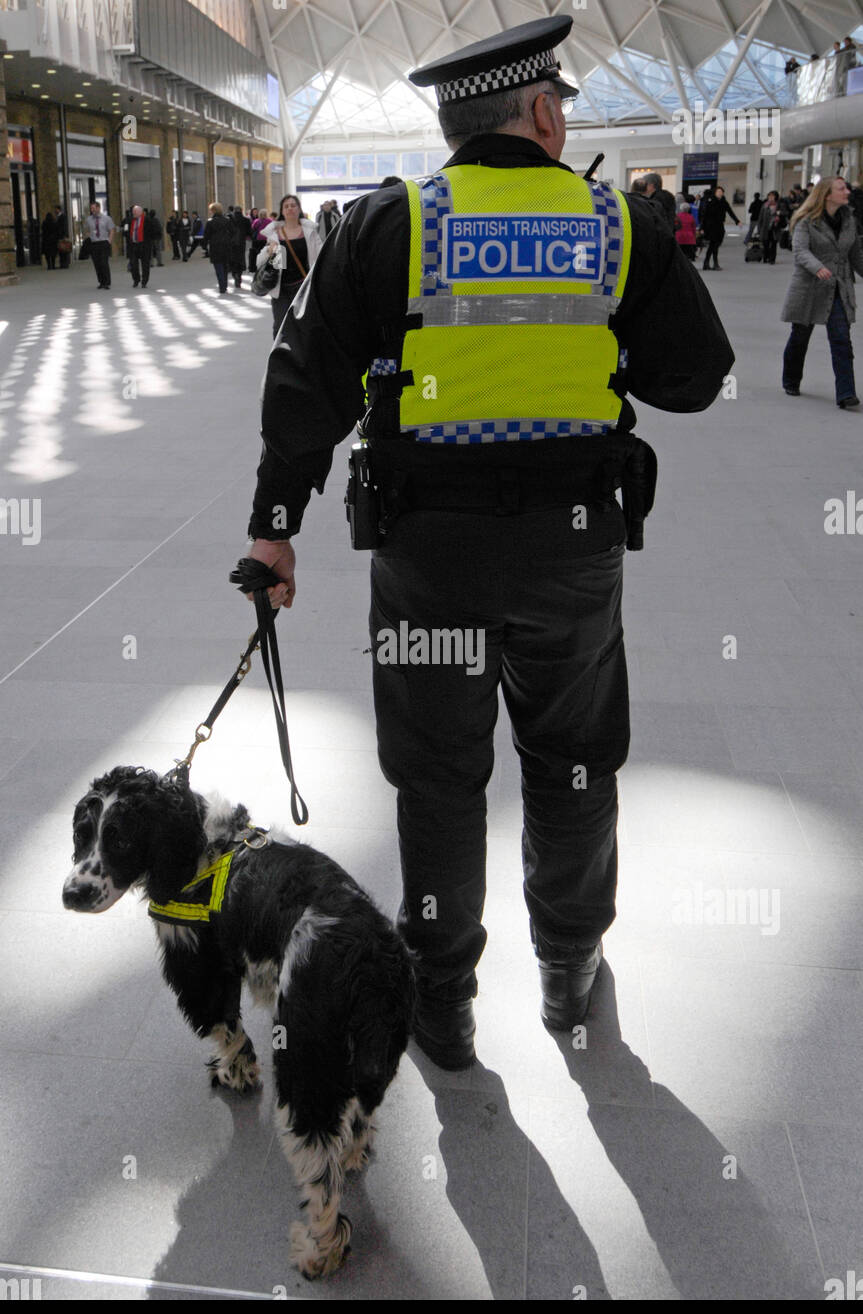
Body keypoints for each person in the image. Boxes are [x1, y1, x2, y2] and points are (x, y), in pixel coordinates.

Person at [241, 16, 733, 1069]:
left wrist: (274, 531)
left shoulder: (391, 224)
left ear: (455, 126)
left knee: (436, 778)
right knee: (568, 770)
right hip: (570, 563)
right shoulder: (618, 224)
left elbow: (305, 390)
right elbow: (691, 378)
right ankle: (565, 973)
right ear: (545, 114)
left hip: (428, 567)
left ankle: (443, 1000)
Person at [780, 175, 862, 408]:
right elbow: (800, 250)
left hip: (838, 288)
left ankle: (846, 393)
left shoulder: (850, 221)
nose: (847, 191)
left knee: (841, 339)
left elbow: (856, 255)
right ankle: (791, 380)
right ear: (826, 194)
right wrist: (818, 267)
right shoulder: (806, 221)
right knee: (800, 337)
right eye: (841, 188)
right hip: (809, 287)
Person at [257, 194, 323, 338]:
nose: (290, 208)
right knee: (281, 326)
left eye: (293, 205)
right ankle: (281, 357)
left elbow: (320, 257)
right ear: (282, 211)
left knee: (305, 325)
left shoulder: (310, 232)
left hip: (304, 287)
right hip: (281, 289)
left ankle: (304, 358)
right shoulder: (275, 234)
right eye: (286, 206)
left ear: (299, 209)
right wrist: (270, 251)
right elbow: (262, 263)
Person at [699, 184, 740, 269]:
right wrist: (702, 227)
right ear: (715, 193)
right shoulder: (710, 201)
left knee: (715, 245)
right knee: (713, 245)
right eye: (718, 192)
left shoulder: (724, 202)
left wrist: (737, 221)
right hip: (711, 226)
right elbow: (705, 215)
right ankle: (713, 263)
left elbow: (730, 212)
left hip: (719, 226)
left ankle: (708, 263)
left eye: (721, 192)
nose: (720, 193)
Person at [201, 202, 233, 293]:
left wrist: (204, 246)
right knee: (225, 266)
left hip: (215, 246)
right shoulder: (227, 220)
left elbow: (206, 235)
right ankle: (225, 285)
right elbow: (233, 232)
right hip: (226, 246)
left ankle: (222, 286)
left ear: (213, 210)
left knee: (218, 266)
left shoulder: (210, 222)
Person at [84, 200, 115, 289]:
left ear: (98, 208)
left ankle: (107, 282)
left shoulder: (107, 219)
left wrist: (109, 241)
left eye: (94, 208)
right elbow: (86, 229)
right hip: (94, 244)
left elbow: (112, 230)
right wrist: (88, 236)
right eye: (91, 208)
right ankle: (101, 282)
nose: (92, 210)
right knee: (97, 263)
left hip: (104, 242)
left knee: (104, 262)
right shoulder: (88, 219)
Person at [126, 204, 153, 288]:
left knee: (145, 264)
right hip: (133, 245)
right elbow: (126, 230)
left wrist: (150, 241)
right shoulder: (130, 220)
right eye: (133, 212)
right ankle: (136, 280)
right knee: (133, 264)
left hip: (144, 245)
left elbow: (154, 231)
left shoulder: (147, 220)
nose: (133, 213)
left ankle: (144, 281)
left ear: (140, 212)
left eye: (135, 212)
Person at [757, 189, 783, 264]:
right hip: (765, 228)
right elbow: (760, 217)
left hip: (774, 228)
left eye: (772, 196)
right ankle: (765, 257)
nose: (770, 197)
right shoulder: (764, 205)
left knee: (773, 244)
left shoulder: (779, 206)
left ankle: (772, 259)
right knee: (765, 243)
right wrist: (759, 228)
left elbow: (784, 214)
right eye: (769, 196)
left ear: (775, 197)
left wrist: (779, 216)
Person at [229, 206, 250, 286]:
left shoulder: (230, 220)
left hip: (232, 243)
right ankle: (239, 275)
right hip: (241, 243)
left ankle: (234, 274)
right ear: (241, 211)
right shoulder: (246, 220)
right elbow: (249, 232)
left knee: (233, 259)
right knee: (241, 258)